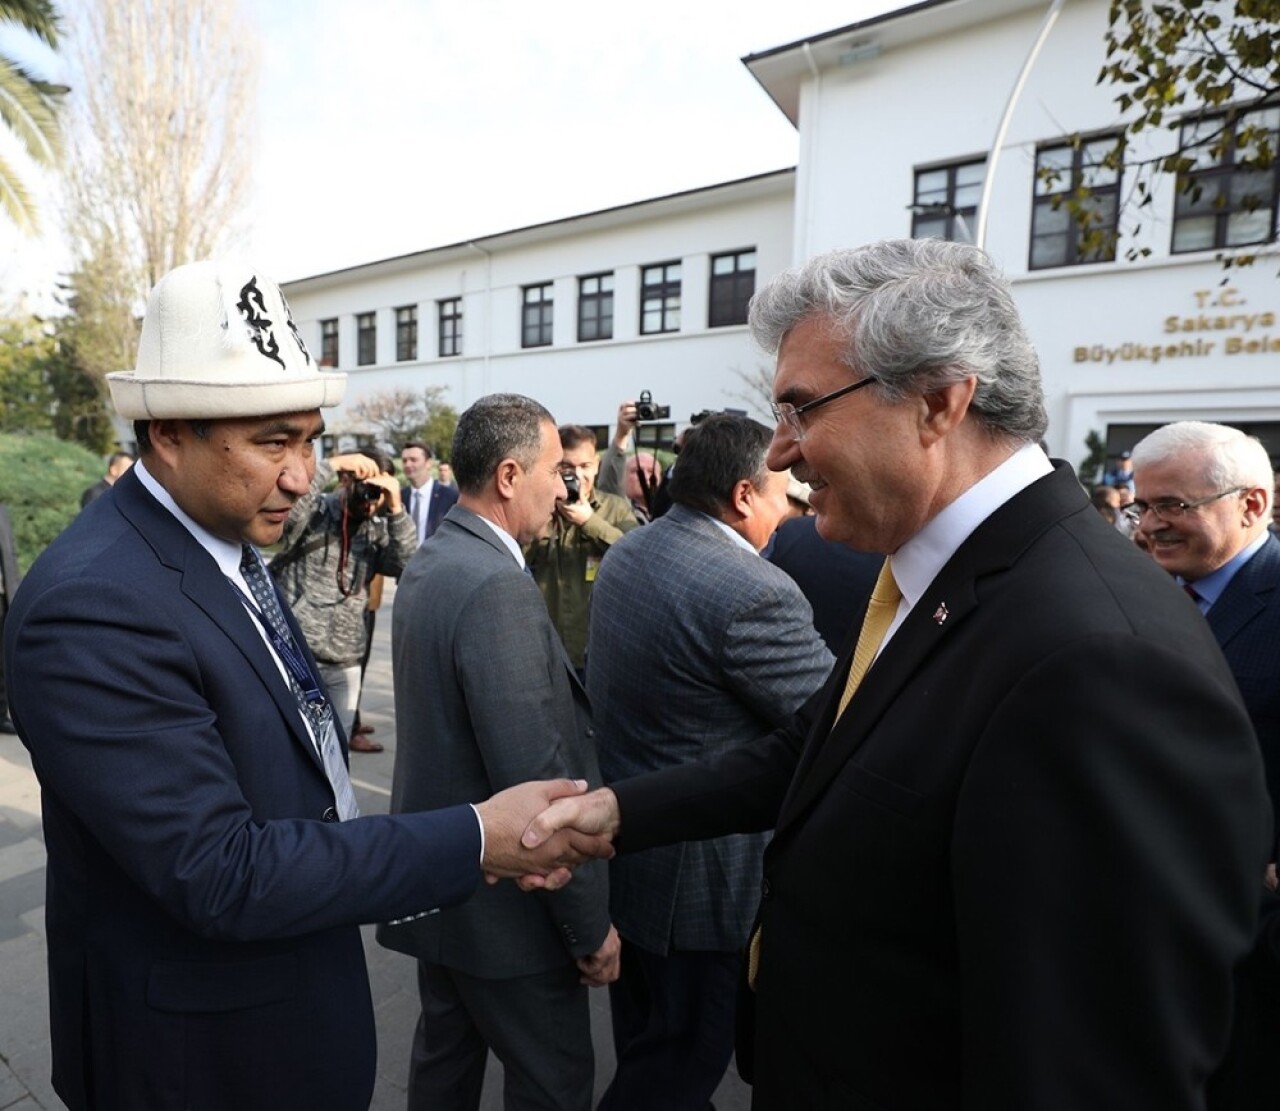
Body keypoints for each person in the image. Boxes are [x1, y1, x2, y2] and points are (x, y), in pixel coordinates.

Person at [523, 239, 1271, 1110]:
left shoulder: (1100, 657)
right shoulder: (940, 567)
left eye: (802, 410)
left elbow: (1085, 1064)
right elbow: (822, 747)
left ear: (938, 402)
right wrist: (616, 811)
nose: (777, 455)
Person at [2, 260, 598, 1111]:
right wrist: (471, 839)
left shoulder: (222, 537)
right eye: (273, 441)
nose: (302, 475)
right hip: (201, 1059)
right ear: (169, 431)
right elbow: (219, 868)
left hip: (287, 1002)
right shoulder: (94, 604)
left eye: (312, 438)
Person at [378, 393, 619, 1111]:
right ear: (511, 475)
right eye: (556, 472)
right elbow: (538, 777)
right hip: (510, 914)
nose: (565, 489)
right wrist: (586, 924)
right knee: (554, 1083)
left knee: (444, 1070)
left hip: (444, 887)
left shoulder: (436, 559)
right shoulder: (496, 585)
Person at [587, 413, 832, 1110]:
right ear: (745, 494)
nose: (794, 509)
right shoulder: (751, 588)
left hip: (635, 854)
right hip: (703, 888)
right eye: (786, 491)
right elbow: (835, 725)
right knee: (677, 1068)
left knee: (647, 1042)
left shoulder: (636, 548)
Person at [1130, 421, 1280, 1110]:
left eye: (1173, 507)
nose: (1150, 526)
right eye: (1143, 505)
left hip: (1250, 945)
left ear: (1251, 505)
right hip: (1138, 923)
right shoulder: (1133, 590)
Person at [270, 448, 416, 752]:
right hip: (296, 653)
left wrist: (396, 508)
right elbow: (288, 516)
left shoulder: (378, 528)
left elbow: (406, 563)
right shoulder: (317, 511)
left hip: (346, 659)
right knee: (289, 749)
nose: (369, 498)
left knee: (336, 753)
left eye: (377, 491)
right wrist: (332, 465)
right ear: (348, 479)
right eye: (366, 486)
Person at [525, 424, 638, 676]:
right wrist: (543, 520)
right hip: (549, 651)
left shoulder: (616, 509)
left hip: (598, 651)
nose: (577, 476)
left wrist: (590, 522)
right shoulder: (540, 508)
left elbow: (637, 559)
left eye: (585, 466)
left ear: (597, 464)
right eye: (566, 467)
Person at [401, 439, 459, 544]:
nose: (408, 464)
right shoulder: (400, 497)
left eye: (413, 460)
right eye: (404, 461)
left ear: (428, 463)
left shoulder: (450, 497)